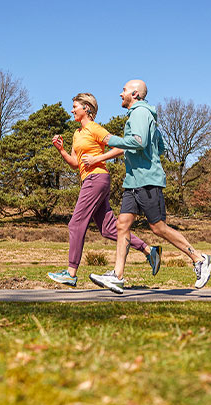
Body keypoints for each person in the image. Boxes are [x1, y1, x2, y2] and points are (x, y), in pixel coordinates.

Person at [89, 80, 211, 294]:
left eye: (124, 90)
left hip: (147, 181)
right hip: (133, 181)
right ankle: (117, 276)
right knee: (122, 225)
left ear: (135, 94)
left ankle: (200, 258)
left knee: (158, 228)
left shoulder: (140, 113)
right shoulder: (144, 116)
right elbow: (160, 147)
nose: (121, 94)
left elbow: (139, 142)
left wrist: (111, 139)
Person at [46, 93, 161, 287]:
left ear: (86, 108)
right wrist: (61, 150)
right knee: (108, 229)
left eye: (75, 106)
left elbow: (121, 147)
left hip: (96, 178)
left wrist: (97, 159)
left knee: (76, 224)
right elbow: (75, 163)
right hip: (90, 180)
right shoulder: (77, 133)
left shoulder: (94, 128)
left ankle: (71, 273)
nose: (72, 110)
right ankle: (149, 251)